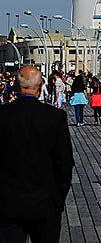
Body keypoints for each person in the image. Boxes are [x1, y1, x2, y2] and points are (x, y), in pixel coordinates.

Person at [0, 65, 74, 243]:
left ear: (16, 87)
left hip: (6, 205)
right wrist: (58, 198)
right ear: (41, 86)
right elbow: (65, 163)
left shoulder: (3, 116)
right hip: (45, 205)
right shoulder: (55, 117)